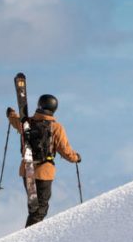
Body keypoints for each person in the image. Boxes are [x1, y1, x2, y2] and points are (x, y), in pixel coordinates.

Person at [8, 94, 81, 227]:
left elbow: (14, 120)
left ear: (39, 105)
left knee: (33, 207)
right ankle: (28, 239)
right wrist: (76, 157)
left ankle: (27, 236)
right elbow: (66, 151)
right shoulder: (55, 127)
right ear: (54, 108)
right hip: (44, 172)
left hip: (26, 170)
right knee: (40, 209)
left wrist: (10, 113)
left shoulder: (26, 123)